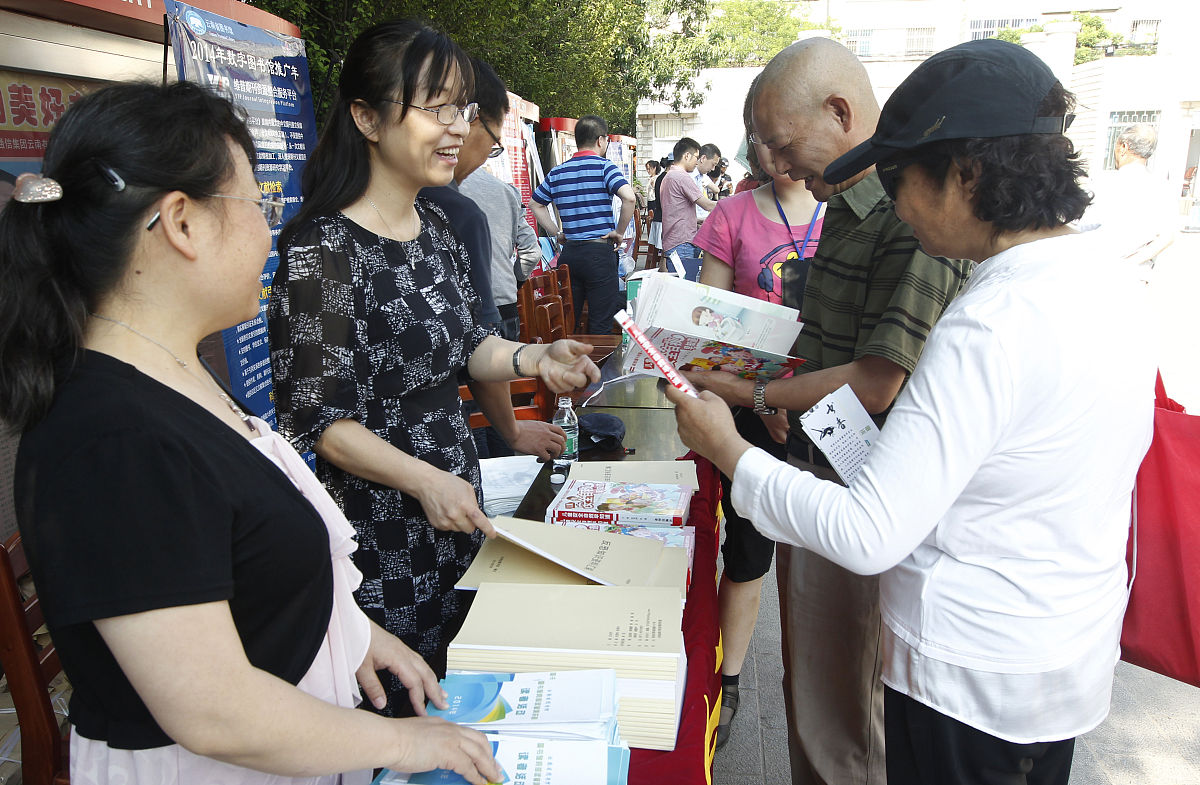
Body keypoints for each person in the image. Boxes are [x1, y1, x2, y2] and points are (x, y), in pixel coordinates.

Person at [671, 38, 1155, 785]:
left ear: (967, 172)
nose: (894, 202)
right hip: (1058, 662)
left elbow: (868, 531)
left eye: (903, 178)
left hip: (969, 674)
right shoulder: (1109, 284)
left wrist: (731, 451)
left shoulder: (989, 322)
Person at [2, 80, 503, 785]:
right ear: (182, 222)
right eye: (260, 206)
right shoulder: (110, 437)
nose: (274, 231)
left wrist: (353, 636)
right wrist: (408, 744)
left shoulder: (176, 372)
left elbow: (238, 566)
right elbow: (214, 708)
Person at [268, 19, 600, 707]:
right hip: (376, 527)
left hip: (451, 502)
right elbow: (323, 422)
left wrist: (539, 355)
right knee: (397, 706)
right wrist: (422, 481)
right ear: (365, 116)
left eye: (463, 108)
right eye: (436, 107)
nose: (456, 127)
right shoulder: (321, 250)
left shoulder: (439, 225)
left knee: (459, 690)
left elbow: (468, 344)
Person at [685, 38, 970, 784]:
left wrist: (751, 395)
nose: (776, 165)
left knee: (844, 708)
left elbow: (876, 381)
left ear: (840, 113)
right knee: (815, 689)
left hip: (862, 489)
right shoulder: (845, 201)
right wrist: (776, 386)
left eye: (783, 144)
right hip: (816, 466)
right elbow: (824, 342)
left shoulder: (914, 213)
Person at [690, 79, 824, 749]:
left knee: (834, 559)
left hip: (834, 412)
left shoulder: (853, 215)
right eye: (762, 139)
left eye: (783, 136)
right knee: (748, 553)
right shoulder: (732, 217)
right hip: (751, 412)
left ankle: (825, 688)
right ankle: (732, 679)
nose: (774, 153)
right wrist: (763, 395)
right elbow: (709, 330)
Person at [423, 57, 563, 462]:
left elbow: (477, 348)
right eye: (445, 113)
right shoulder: (458, 211)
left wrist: (539, 357)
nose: (458, 132)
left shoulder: (447, 207)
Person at [529, 114, 636, 333]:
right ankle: (595, 367)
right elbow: (630, 198)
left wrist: (556, 232)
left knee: (569, 322)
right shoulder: (605, 167)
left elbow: (535, 204)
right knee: (601, 322)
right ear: (600, 140)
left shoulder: (557, 172)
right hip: (599, 253)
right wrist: (619, 232)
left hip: (570, 254)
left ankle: (570, 365)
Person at [1079, 123, 1177, 279]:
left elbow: (1081, 225)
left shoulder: (1104, 183)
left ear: (1123, 147)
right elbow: (1167, 237)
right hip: (1137, 275)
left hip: (1099, 273)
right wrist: (1130, 264)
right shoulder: (1161, 186)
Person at [661, 137, 718, 280]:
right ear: (687, 156)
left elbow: (676, 211)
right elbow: (707, 205)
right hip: (683, 243)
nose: (697, 162)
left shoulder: (668, 176)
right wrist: (735, 202)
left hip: (673, 240)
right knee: (685, 288)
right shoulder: (682, 177)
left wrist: (695, 220)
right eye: (696, 157)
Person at [694, 142, 722, 221]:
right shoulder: (690, 176)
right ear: (703, 158)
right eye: (713, 164)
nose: (713, 169)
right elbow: (706, 205)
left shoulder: (703, 176)